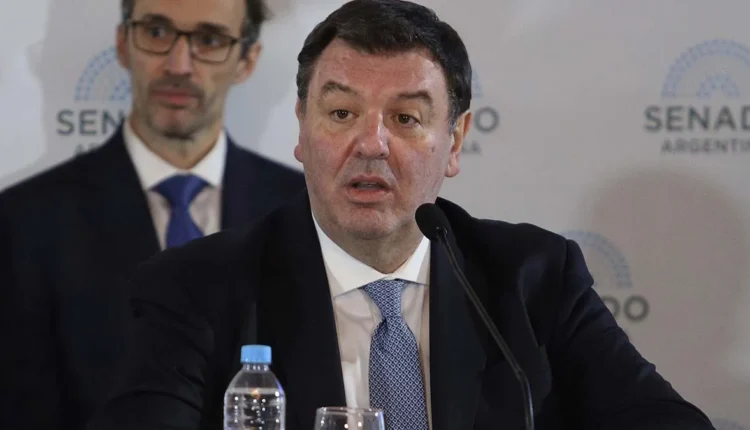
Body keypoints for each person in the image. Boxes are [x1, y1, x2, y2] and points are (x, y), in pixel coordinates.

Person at [86, 1, 716, 429]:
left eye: (407, 118)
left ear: (456, 141)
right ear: (302, 130)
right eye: (341, 113)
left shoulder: (535, 279)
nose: (371, 144)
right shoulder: (199, 289)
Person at [0, 0, 305, 429]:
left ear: (247, 60)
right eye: (157, 33)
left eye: (209, 39)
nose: (178, 65)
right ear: (123, 43)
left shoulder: (304, 211)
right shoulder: (23, 222)